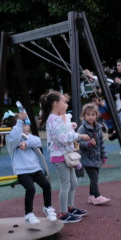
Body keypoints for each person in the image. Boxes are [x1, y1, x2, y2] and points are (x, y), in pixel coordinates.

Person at [40, 91, 91, 223]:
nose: (66, 104)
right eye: (64, 102)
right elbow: (62, 137)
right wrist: (79, 136)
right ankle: (63, 213)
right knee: (66, 183)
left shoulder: (56, 118)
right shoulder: (54, 119)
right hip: (60, 156)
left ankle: (70, 207)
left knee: (72, 182)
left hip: (64, 155)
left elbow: (60, 132)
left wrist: (69, 126)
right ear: (56, 104)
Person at [3, 111, 58, 225]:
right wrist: (19, 122)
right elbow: (14, 136)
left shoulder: (29, 138)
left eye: (27, 124)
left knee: (46, 185)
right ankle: (29, 214)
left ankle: (48, 207)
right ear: (16, 127)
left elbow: (37, 141)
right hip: (22, 171)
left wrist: (26, 144)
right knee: (31, 189)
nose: (27, 127)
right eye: (24, 125)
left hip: (35, 169)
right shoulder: (11, 141)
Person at [76, 103, 110, 206]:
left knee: (94, 178)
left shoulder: (98, 128)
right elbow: (78, 144)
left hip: (96, 157)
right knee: (94, 178)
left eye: (93, 114)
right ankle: (97, 196)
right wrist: (88, 144)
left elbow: (101, 144)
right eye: (88, 114)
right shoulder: (82, 129)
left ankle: (91, 196)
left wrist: (103, 156)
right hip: (86, 158)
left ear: (96, 115)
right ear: (83, 116)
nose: (90, 117)